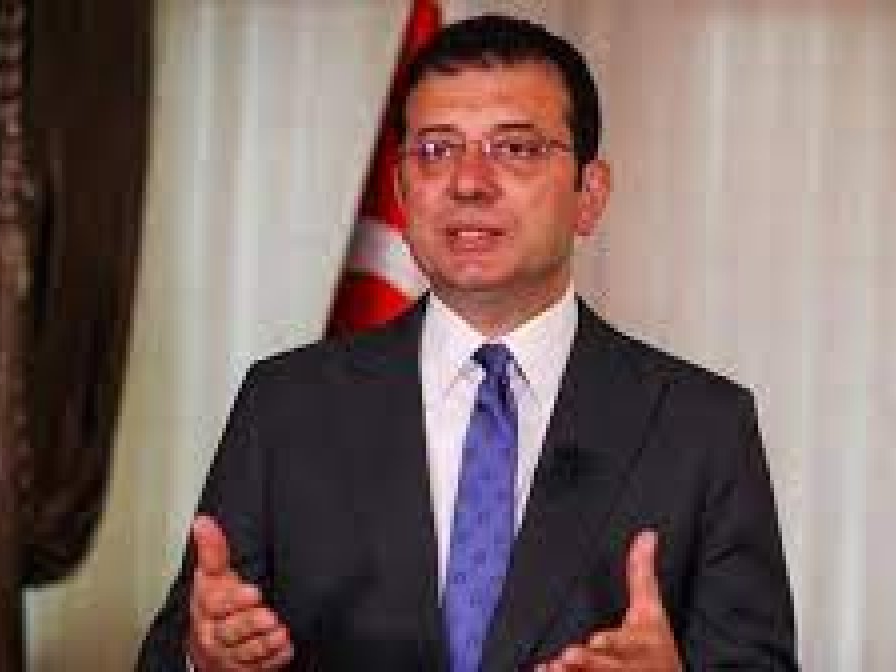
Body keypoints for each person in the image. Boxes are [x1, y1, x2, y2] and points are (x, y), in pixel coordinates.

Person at [138, 14, 797, 672]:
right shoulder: (287, 406)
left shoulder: (702, 427)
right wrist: (203, 658)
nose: (469, 182)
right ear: (401, 191)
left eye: (516, 149)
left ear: (589, 195)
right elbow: (170, 653)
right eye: (435, 150)